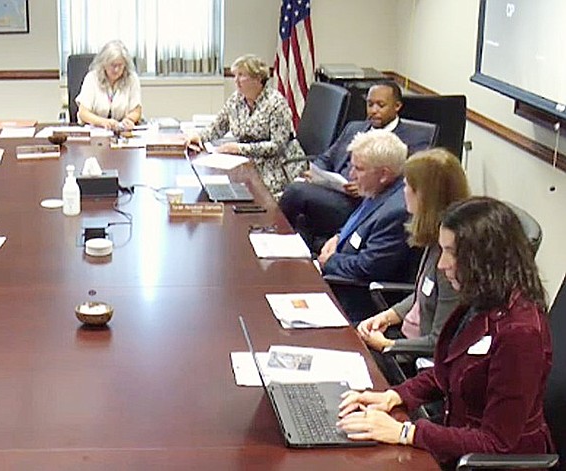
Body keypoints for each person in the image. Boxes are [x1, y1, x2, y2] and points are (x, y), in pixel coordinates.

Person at [337, 197, 552, 467]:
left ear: (483, 258)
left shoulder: (520, 333)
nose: (442, 264)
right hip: (457, 442)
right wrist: (395, 395)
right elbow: (448, 373)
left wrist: (407, 432)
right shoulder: (482, 299)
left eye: (451, 252)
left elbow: (497, 443)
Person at [279, 81, 436, 250]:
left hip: (363, 204)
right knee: (303, 219)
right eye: (370, 104)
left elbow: (406, 181)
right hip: (333, 190)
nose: (374, 110)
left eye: (380, 105)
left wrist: (363, 188)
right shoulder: (354, 127)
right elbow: (326, 158)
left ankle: (275, 236)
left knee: (295, 192)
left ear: (397, 106)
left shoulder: (413, 138)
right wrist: (317, 173)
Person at [356, 149, 470, 354]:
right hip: (401, 336)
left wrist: (388, 346)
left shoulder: (452, 259)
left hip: (413, 356)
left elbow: (441, 341)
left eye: (408, 186)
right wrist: (388, 315)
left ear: (425, 196)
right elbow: (423, 294)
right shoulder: (435, 237)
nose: (403, 191)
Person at [317, 129, 416, 321]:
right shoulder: (377, 189)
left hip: (354, 300)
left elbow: (368, 268)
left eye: (359, 169)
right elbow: (358, 223)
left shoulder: (397, 211)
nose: (351, 174)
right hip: (338, 274)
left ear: (384, 174)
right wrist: (338, 237)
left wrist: (329, 261)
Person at [185, 54, 305, 194]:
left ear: (258, 79)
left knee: (245, 192)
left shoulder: (276, 103)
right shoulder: (236, 99)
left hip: (275, 165)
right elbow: (218, 126)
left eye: (241, 75)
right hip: (245, 160)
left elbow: (277, 146)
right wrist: (199, 137)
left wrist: (240, 149)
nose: (236, 81)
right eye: (235, 75)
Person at [75, 40, 142, 131]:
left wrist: (129, 120)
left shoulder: (131, 79)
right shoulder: (92, 78)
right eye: (113, 65)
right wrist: (103, 122)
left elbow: (136, 110)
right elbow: (83, 113)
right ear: (104, 64)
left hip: (122, 132)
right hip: (95, 132)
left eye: (120, 65)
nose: (116, 69)